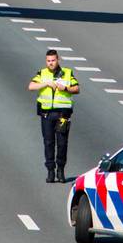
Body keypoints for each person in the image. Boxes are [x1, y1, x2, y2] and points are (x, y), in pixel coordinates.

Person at [28, 49, 80, 183]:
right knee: (48, 142)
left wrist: (66, 88)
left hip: (62, 114)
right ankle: (50, 170)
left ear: (58, 60)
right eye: (48, 61)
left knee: (62, 143)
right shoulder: (42, 73)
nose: (50, 63)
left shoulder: (67, 73)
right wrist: (46, 83)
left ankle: (61, 170)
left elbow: (77, 88)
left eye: (53, 60)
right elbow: (31, 86)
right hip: (47, 114)